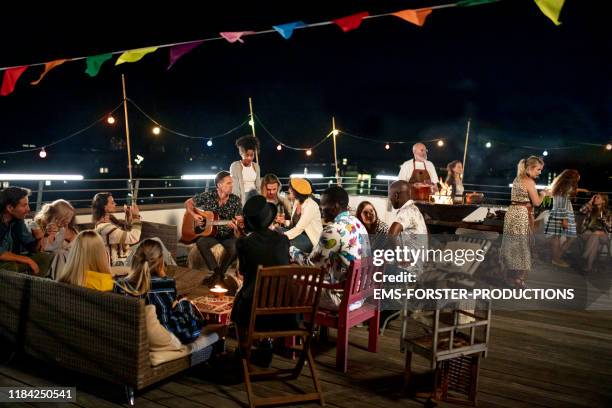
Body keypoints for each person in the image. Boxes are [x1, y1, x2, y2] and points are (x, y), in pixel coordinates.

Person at [231, 195, 295, 363]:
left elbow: (243, 273)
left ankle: (244, 348)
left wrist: (241, 239)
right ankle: (266, 343)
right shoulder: (283, 240)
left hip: (255, 309)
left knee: (239, 300)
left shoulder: (243, 243)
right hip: (285, 308)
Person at [290, 185, 370, 310]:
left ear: (335, 207)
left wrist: (291, 250)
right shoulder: (358, 223)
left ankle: (300, 326)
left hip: (341, 299)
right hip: (360, 295)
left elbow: (311, 265)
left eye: (323, 205)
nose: (321, 209)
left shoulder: (333, 230)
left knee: (289, 281)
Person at [114, 239, 204, 344]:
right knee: (186, 306)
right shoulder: (167, 284)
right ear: (160, 261)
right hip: (157, 340)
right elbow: (170, 328)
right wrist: (183, 304)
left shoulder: (119, 285)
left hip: (128, 339)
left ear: (135, 259)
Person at [184, 171, 243, 286]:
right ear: (219, 185)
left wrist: (236, 225)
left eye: (232, 183)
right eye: (228, 183)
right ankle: (217, 273)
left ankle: (218, 274)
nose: (232, 185)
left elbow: (239, 222)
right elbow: (188, 203)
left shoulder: (235, 200)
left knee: (235, 246)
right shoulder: (208, 196)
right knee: (201, 242)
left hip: (228, 235)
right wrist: (194, 215)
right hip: (211, 235)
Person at [501, 156, 551, 288]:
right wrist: (544, 194)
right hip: (522, 215)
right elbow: (537, 202)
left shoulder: (517, 179)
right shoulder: (529, 181)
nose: (540, 172)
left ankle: (508, 277)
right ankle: (518, 280)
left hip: (512, 213)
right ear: (530, 168)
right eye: (538, 169)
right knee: (525, 247)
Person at [0, 186, 51, 276]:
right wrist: (26, 259)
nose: (28, 209)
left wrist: (40, 238)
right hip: (5, 264)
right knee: (10, 267)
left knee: (44, 257)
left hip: (13, 260)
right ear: (10, 208)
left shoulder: (18, 221)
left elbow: (31, 247)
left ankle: (34, 287)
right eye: (24, 205)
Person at [31, 199, 79, 279]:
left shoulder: (61, 229)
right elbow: (40, 249)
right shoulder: (36, 224)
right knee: (61, 254)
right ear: (58, 217)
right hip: (45, 261)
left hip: (56, 262)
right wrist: (48, 234)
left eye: (69, 218)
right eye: (67, 218)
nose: (68, 221)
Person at [92, 192, 142, 265]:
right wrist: (136, 217)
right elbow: (133, 238)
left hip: (125, 255)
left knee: (152, 244)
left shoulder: (111, 220)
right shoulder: (105, 228)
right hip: (118, 262)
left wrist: (128, 217)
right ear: (104, 207)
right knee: (153, 244)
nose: (115, 204)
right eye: (112, 203)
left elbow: (125, 237)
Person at [544, 169, 580, 267]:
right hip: (563, 213)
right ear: (572, 177)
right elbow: (562, 202)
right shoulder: (566, 186)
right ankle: (557, 258)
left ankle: (556, 258)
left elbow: (557, 199)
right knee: (570, 237)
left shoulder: (559, 184)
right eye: (577, 176)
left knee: (556, 237)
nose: (578, 178)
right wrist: (564, 219)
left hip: (557, 212)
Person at [284, 178, 322, 254]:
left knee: (282, 244)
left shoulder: (311, 206)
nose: (288, 190)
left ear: (297, 192)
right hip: (299, 235)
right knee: (277, 230)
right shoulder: (297, 202)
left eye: (291, 189)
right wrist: (284, 222)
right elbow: (293, 224)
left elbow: (298, 228)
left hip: (310, 239)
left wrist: (280, 237)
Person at [579, 193, 611, 272]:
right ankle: (589, 265)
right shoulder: (591, 209)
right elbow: (581, 210)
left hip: (603, 235)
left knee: (596, 234)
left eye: (598, 198)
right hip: (588, 232)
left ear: (603, 201)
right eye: (595, 198)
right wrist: (590, 201)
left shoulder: (608, 212)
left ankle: (585, 256)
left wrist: (605, 221)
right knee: (595, 238)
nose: (595, 199)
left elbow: (610, 228)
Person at [230, 135, 261, 205]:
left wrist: (259, 199)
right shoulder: (235, 166)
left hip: (255, 196)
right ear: (241, 153)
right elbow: (235, 188)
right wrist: (237, 203)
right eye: (247, 155)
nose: (250, 158)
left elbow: (258, 187)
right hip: (242, 197)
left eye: (252, 155)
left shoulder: (256, 166)